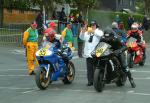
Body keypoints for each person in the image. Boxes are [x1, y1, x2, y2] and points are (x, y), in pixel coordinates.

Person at [79, 20, 104, 86]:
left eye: (94, 25)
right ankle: (90, 81)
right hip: (88, 53)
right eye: (91, 25)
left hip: (96, 53)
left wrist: (93, 31)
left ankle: (97, 80)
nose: (92, 26)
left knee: (96, 68)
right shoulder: (87, 32)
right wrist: (83, 30)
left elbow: (101, 34)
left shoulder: (98, 31)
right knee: (89, 69)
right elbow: (81, 37)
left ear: (96, 25)